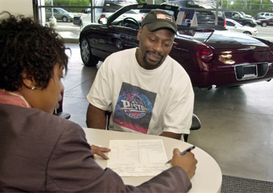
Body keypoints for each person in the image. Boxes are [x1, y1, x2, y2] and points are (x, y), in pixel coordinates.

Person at [0, 12, 197, 192]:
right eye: (59, 76)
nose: (62, 88)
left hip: (151, 159)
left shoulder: (179, 78)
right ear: (29, 79)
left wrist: (73, 153)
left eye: (166, 43)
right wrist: (181, 173)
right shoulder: (57, 137)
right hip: (112, 153)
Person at [86, 9, 194, 140]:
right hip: (115, 145)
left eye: (166, 44)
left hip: (156, 148)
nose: (158, 49)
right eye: (153, 39)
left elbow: (173, 134)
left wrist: (145, 155)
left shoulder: (179, 79)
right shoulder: (114, 63)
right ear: (139, 34)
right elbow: (96, 108)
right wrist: (100, 143)